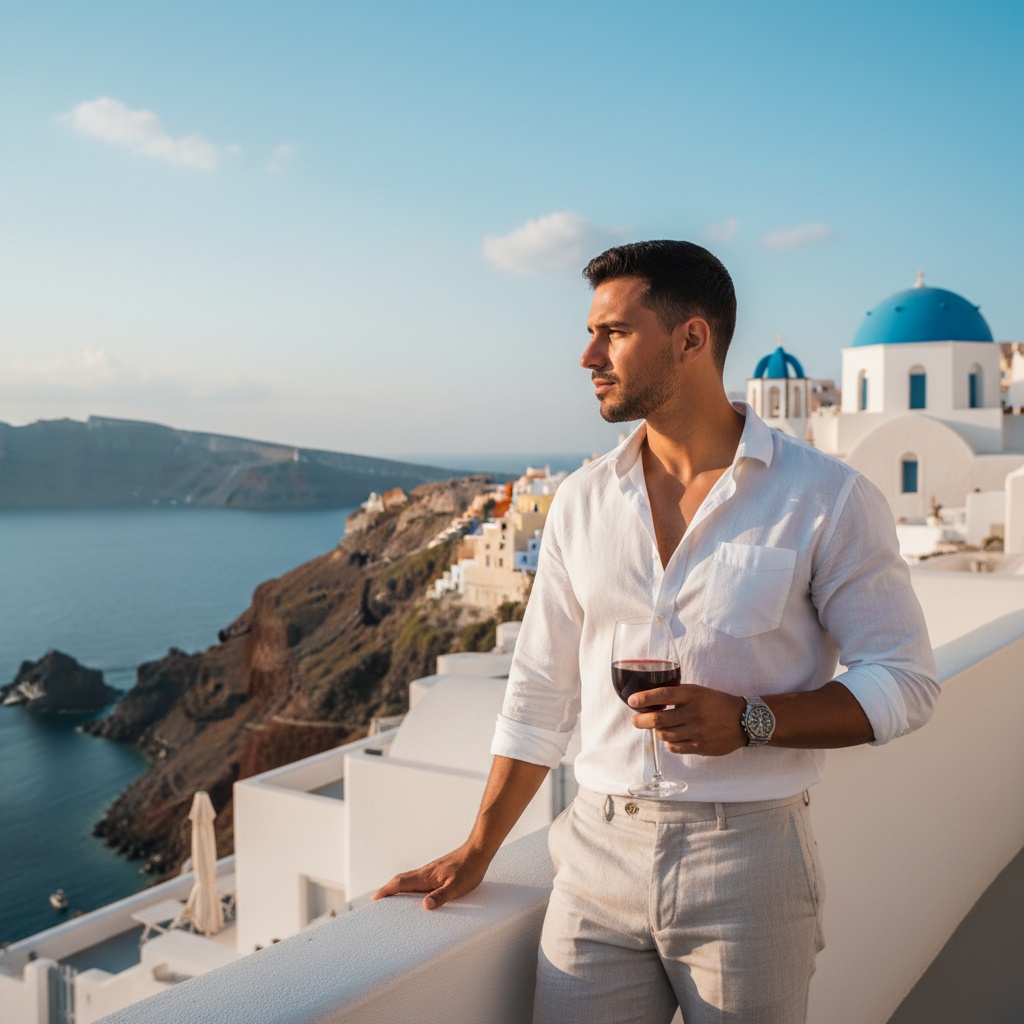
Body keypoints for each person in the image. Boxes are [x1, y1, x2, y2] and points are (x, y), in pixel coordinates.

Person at [374, 240, 939, 1024]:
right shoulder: (581, 500)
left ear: (691, 339)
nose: (586, 355)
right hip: (594, 858)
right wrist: (479, 848)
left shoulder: (827, 498)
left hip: (749, 861)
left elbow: (905, 681)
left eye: (613, 332)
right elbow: (541, 689)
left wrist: (752, 720)